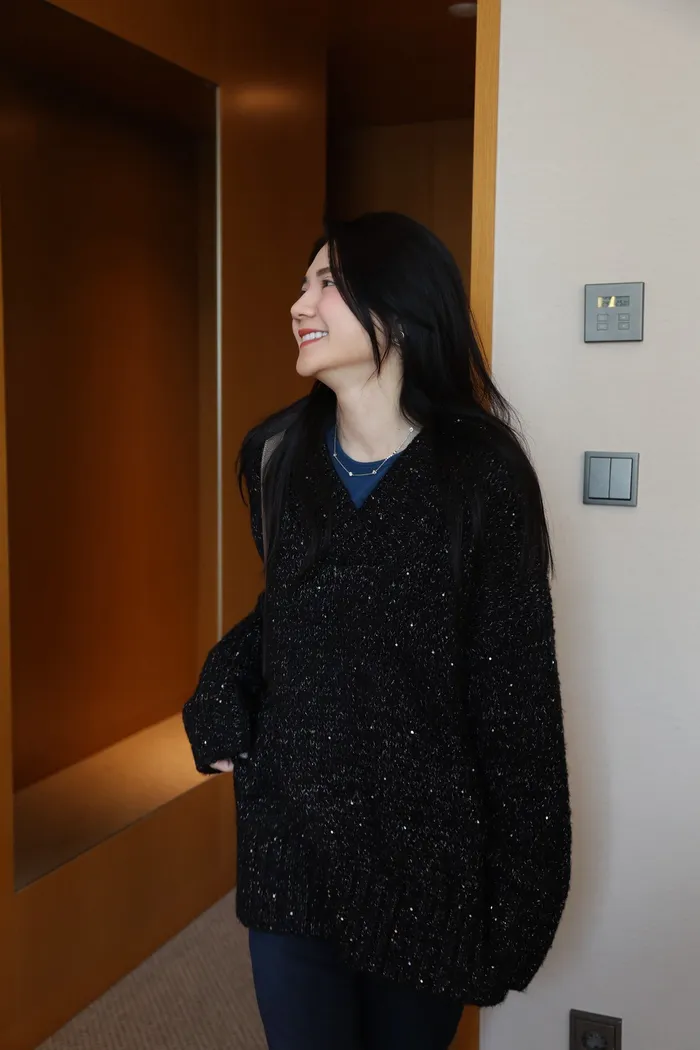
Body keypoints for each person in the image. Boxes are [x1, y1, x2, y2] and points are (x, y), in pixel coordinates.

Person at [183, 212, 571, 1050]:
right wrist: (221, 691)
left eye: (327, 283)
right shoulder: (276, 456)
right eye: (303, 284)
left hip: (425, 859)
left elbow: (516, 694)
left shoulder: (482, 476)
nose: (299, 304)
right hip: (291, 845)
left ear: (399, 309)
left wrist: (525, 897)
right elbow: (294, 614)